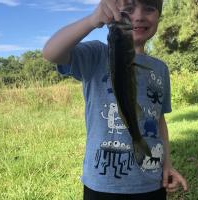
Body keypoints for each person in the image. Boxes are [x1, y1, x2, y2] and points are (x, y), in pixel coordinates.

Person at [43, 0, 188, 199]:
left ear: (159, 16)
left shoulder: (160, 69)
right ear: (112, 16)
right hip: (103, 185)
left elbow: (159, 119)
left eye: (149, 8)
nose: (137, 16)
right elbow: (51, 52)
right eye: (128, 10)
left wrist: (167, 164)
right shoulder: (97, 55)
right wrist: (92, 20)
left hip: (151, 183)